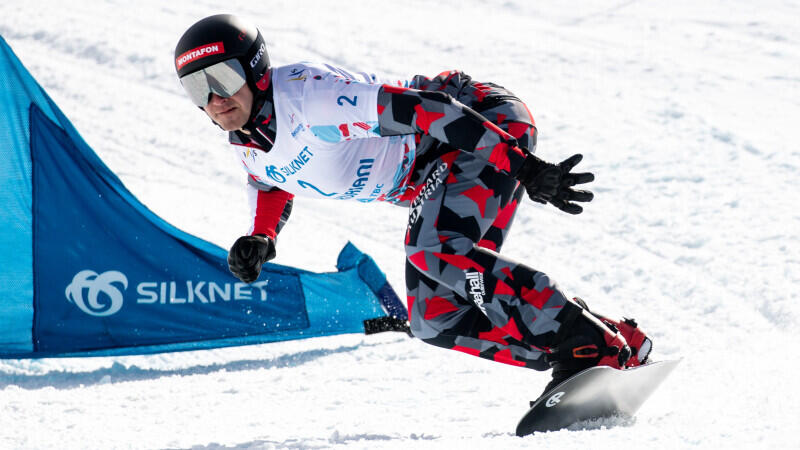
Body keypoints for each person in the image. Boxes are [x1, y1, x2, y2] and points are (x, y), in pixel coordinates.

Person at [174, 14, 652, 394]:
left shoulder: (311, 97)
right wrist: (263, 236)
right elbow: (272, 180)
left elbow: (430, 110)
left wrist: (523, 167)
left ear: (256, 69)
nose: (213, 99)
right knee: (434, 319)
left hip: (479, 126)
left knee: (434, 248)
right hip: (435, 167)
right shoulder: (245, 137)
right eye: (197, 87)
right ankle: (598, 347)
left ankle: (586, 345)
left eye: (220, 76)